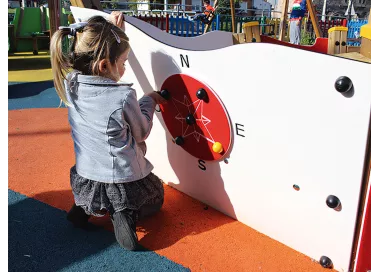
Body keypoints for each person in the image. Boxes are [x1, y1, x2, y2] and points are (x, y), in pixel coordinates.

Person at [50, 12, 167, 251]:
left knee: (98, 190)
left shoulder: (71, 85)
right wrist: (150, 100)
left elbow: (95, 51)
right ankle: (123, 214)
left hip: (88, 173)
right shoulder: (122, 96)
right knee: (156, 199)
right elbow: (141, 131)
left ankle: (83, 209)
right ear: (104, 65)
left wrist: (111, 30)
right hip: (123, 176)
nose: (124, 68)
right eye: (123, 63)